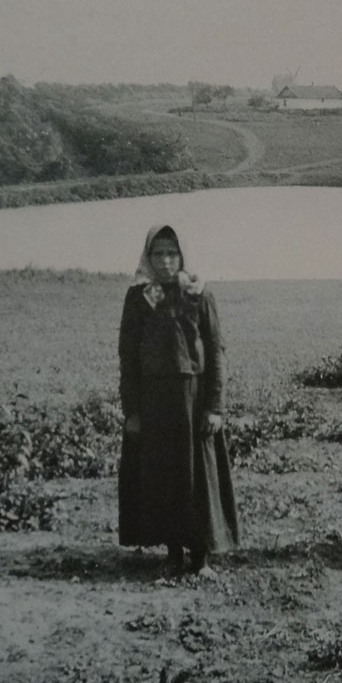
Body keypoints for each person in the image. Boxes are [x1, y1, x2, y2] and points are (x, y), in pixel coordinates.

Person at [117, 224, 239, 577]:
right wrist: (133, 411)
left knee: (198, 474)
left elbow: (216, 352)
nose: (166, 261)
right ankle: (172, 552)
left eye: (172, 253)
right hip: (155, 400)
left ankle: (200, 556)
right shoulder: (141, 297)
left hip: (194, 398)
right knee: (164, 475)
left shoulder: (197, 294)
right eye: (158, 254)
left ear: (183, 255)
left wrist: (215, 406)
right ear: (148, 257)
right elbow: (128, 357)